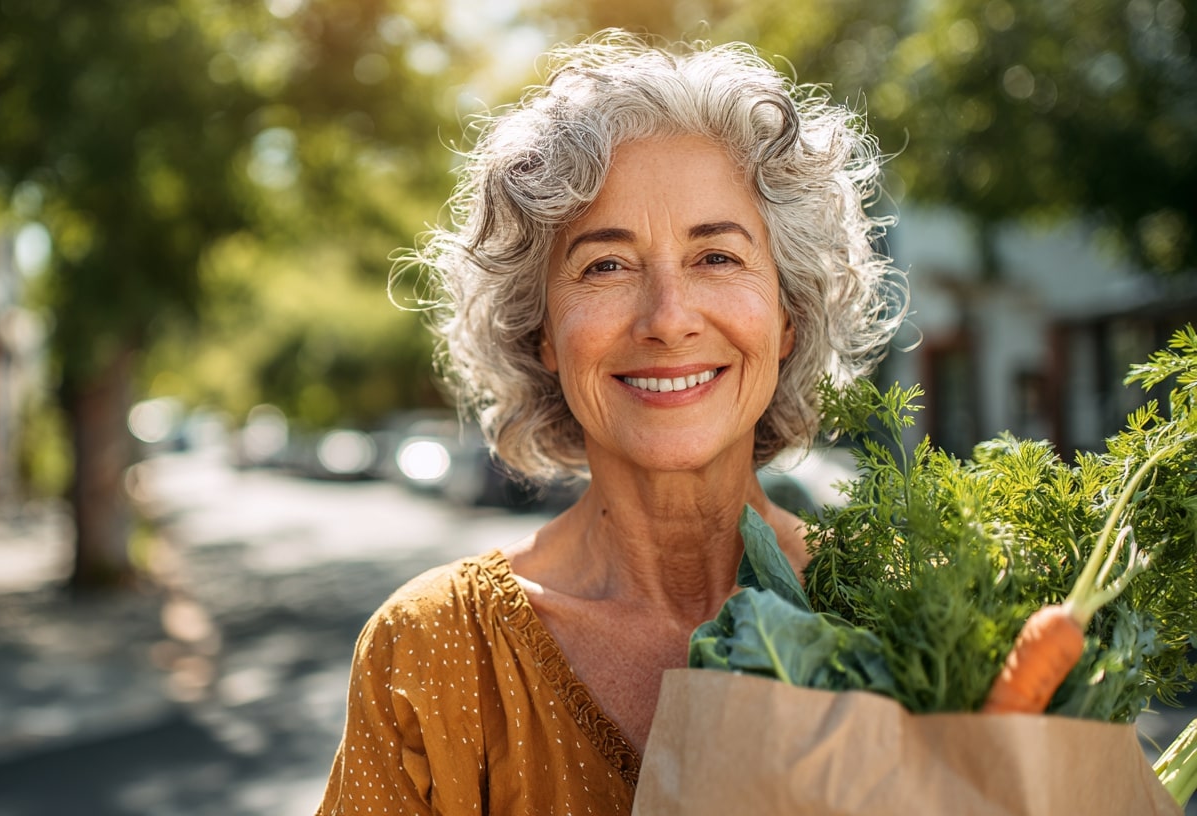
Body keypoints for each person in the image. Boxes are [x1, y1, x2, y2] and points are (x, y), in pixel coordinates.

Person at [316, 31, 904, 815]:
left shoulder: (908, 603)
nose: (668, 320)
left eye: (717, 258)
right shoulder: (433, 651)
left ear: (789, 317)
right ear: (543, 334)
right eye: (606, 265)